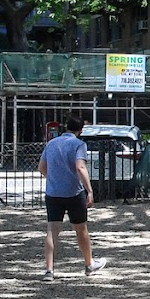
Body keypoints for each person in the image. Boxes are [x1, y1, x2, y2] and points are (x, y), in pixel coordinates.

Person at [37, 116, 107, 278]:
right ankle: (89, 264)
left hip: (53, 192)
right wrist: (89, 190)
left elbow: (41, 167)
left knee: (52, 230)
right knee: (81, 229)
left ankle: (49, 270)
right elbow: (80, 167)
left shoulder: (51, 144)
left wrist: (54, 179)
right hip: (74, 192)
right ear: (80, 130)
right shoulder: (78, 144)